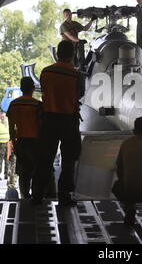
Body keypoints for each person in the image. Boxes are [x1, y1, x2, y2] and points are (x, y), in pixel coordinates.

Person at [32, 40, 85, 206]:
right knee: (69, 160)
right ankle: (64, 196)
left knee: (45, 159)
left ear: (58, 53)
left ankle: (37, 195)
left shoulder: (46, 72)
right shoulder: (77, 75)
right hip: (68, 120)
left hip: (48, 119)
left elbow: (45, 91)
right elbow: (79, 95)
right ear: (72, 55)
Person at [7, 77, 43, 199]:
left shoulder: (13, 104)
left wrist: (14, 142)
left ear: (21, 88)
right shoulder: (38, 104)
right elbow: (42, 126)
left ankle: (25, 195)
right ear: (33, 88)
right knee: (37, 170)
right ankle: (37, 196)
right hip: (36, 142)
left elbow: (11, 127)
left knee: (24, 171)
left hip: (21, 141)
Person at [0, 111, 9, 180]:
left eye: (3, 116)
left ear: (6, 117)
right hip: (0, 145)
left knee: (7, 160)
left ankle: (6, 175)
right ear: (0, 117)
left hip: (8, 144)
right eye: (1, 117)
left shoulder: (9, 124)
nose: (2, 118)